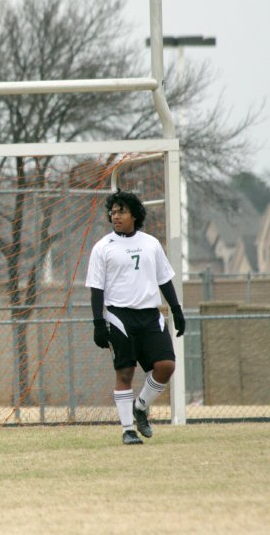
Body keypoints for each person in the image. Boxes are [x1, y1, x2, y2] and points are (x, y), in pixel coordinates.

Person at [84, 190, 185, 445]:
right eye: (113, 212)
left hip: (150, 315)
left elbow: (164, 280)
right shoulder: (102, 248)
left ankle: (140, 407)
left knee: (166, 366)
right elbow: (96, 289)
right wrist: (98, 323)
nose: (115, 216)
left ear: (134, 215)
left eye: (121, 211)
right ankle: (128, 430)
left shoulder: (151, 243)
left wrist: (177, 310)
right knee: (125, 372)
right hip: (119, 316)